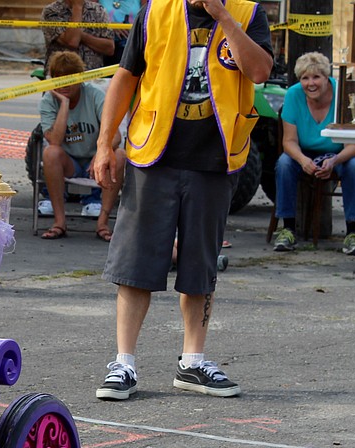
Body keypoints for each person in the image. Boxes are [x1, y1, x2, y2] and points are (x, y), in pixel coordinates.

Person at [91, 0, 272, 401]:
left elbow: (259, 71)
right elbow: (125, 77)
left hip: (215, 157)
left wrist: (223, 17)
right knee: (135, 263)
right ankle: (124, 363)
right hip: (154, 153)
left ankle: (192, 362)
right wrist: (106, 142)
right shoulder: (156, 11)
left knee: (200, 266)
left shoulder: (246, 13)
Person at [271, 52, 355, 256]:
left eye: (316, 77)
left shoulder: (345, 94)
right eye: (305, 78)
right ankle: (287, 228)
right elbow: (289, 141)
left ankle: (352, 232)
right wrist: (303, 160)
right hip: (305, 151)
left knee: (354, 165)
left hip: (340, 152)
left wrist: (334, 160)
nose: (310, 83)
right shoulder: (294, 95)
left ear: (326, 78)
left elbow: (354, 146)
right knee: (284, 164)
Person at [37, 51, 124, 242]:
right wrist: (65, 104)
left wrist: (101, 153)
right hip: (70, 163)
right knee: (50, 153)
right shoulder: (48, 101)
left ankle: (103, 221)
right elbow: (55, 141)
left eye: (70, 78)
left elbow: (116, 135)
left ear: (80, 78)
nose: (65, 84)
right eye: (59, 79)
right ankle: (60, 221)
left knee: (120, 154)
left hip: (97, 160)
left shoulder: (94, 95)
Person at [41, 0, 114, 73]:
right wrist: (77, 7)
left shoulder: (98, 10)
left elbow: (109, 48)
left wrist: (80, 35)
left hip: (93, 77)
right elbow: (72, 41)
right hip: (61, 76)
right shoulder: (51, 11)